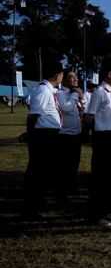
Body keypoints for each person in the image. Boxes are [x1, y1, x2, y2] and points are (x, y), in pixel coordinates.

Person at [22, 61, 64, 219]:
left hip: (49, 134)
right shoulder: (43, 90)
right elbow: (33, 115)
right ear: (56, 74)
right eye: (62, 74)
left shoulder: (48, 90)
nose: (62, 77)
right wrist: (31, 136)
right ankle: (31, 208)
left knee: (43, 172)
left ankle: (38, 204)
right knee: (37, 172)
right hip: (43, 135)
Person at [86, 66, 111, 227]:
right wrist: (92, 135)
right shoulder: (99, 92)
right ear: (110, 73)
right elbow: (89, 116)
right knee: (100, 177)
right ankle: (96, 214)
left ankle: (108, 207)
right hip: (103, 137)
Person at [56, 70, 85, 205]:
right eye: (72, 78)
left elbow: (80, 111)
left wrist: (81, 100)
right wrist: (75, 95)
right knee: (64, 165)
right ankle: (62, 192)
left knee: (75, 162)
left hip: (76, 134)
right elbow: (66, 108)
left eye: (76, 77)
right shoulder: (61, 93)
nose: (76, 80)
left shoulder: (75, 94)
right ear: (66, 80)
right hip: (65, 135)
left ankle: (72, 186)